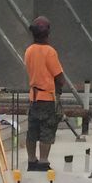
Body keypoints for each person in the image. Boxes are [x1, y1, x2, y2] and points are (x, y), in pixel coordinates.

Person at [23, 15, 70, 171]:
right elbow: (60, 77)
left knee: (32, 130)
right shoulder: (50, 52)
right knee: (47, 130)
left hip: (33, 97)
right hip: (47, 98)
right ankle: (43, 162)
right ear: (47, 33)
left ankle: (31, 161)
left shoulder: (29, 51)